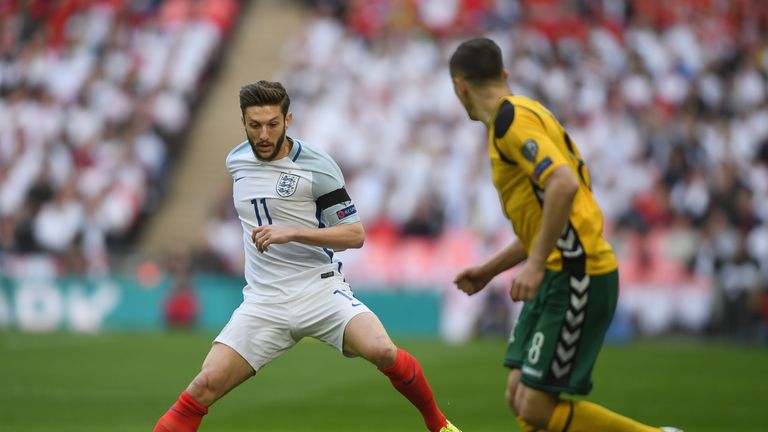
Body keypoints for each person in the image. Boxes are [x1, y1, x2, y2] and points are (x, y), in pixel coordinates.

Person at [153, 81, 461, 432]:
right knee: (202, 387)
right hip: (264, 302)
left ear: (288, 119)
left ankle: (439, 425)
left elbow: (354, 235)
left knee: (383, 351)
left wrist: (294, 232)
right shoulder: (236, 161)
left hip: (319, 291)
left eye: (273, 123)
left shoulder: (317, 166)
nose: (264, 133)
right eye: (255, 125)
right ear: (244, 123)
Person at [449, 38, 682, 432]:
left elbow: (562, 184)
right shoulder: (526, 114)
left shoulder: (511, 121)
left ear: (460, 87)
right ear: (504, 75)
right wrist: (490, 270)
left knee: (536, 406)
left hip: (577, 271)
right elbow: (547, 219)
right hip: (560, 270)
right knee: (518, 394)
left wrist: (536, 264)